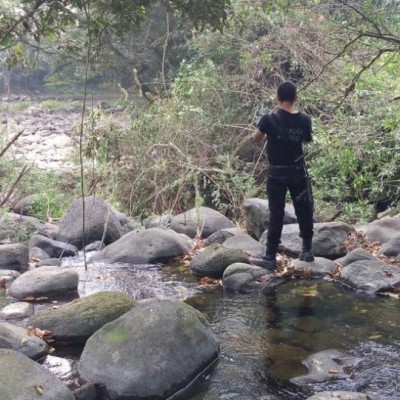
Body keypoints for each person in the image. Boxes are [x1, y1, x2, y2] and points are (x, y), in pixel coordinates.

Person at [251, 81, 314, 270]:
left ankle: (270, 256)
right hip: (297, 172)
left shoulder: (269, 118)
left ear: (278, 97)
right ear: (295, 98)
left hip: (277, 173)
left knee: (276, 213)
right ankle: (307, 250)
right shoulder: (305, 119)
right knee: (303, 209)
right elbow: (306, 140)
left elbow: (255, 139)